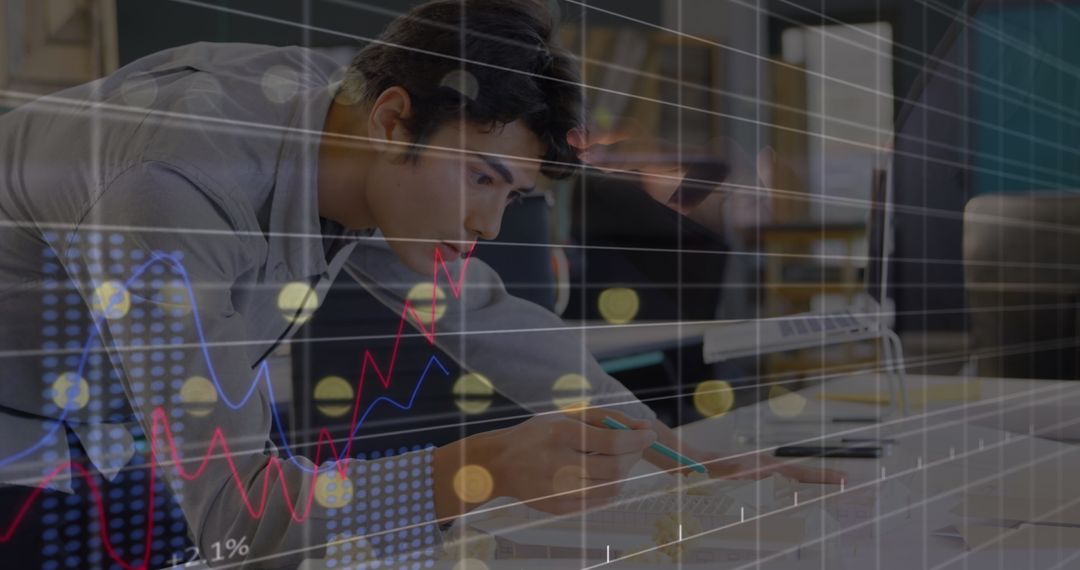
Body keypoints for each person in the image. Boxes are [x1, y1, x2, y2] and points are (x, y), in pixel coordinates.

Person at [0, 1, 838, 567]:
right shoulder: (172, 184)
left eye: (511, 194)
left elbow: (473, 305)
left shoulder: (351, 113)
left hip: (93, 422)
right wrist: (483, 468)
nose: (490, 228)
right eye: (480, 180)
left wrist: (668, 445)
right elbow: (236, 518)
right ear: (394, 118)